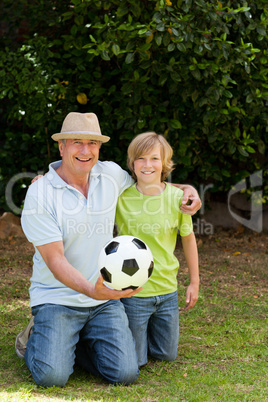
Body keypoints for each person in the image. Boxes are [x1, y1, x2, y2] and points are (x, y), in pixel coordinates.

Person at [15, 112, 201, 388]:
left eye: (92, 143)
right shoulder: (40, 194)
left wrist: (187, 189)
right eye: (76, 142)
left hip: (104, 300)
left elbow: (149, 182)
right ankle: (36, 337)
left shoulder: (110, 174)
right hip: (58, 298)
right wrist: (92, 290)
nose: (85, 150)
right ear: (61, 147)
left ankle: (69, 343)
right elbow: (55, 260)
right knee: (52, 377)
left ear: (99, 148)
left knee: (125, 374)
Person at [115, 132, 199, 367]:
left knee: (166, 355)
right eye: (140, 159)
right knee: (138, 361)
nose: (147, 164)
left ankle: (148, 331)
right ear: (132, 164)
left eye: (154, 158)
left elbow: (188, 239)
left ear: (164, 164)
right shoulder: (120, 197)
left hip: (167, 292)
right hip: (134, 293)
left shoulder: (177, 198)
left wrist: (194, 282)